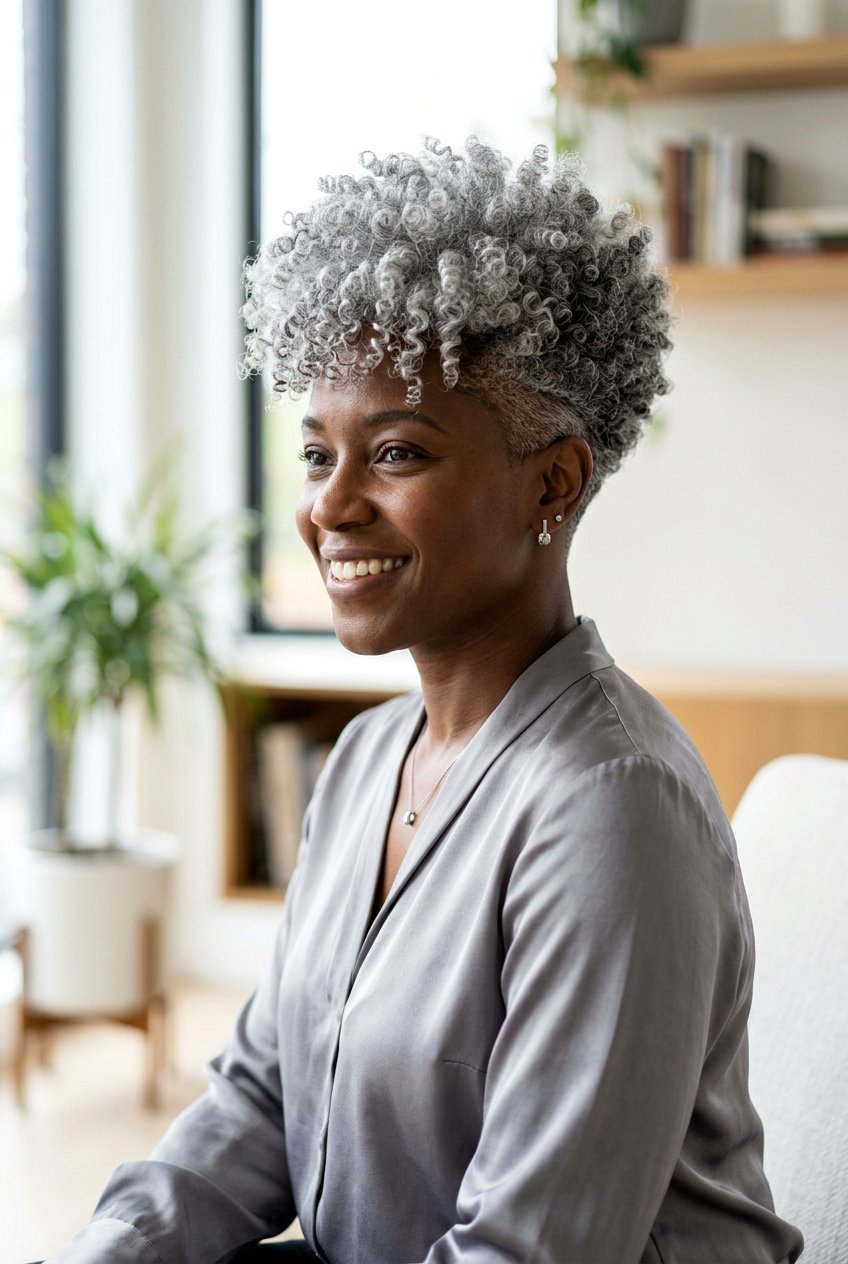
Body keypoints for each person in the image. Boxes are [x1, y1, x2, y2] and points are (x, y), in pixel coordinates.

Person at [44, 138, 804, 1263]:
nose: (329, 507)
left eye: (394, 454)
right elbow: (262, 1098)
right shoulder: (362, 763)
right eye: (315, 454)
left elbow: (527, 1251)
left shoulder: (607, 807)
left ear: (553, 480)